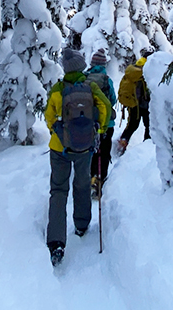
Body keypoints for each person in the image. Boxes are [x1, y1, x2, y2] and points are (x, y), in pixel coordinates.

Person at [44, 47, 111, 267]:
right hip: (85, 147)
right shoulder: (91, 87)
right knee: (82, 184)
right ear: (82, 66)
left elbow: (49, 115)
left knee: (58, 189)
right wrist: (98, 130)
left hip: (59, 148)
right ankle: (81, 225)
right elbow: (106, 107)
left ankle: (56, 242)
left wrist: (57, 129)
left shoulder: (58, 89)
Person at [85, 48, 117, 197]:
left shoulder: (85, 77)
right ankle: (100, 178)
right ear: (104, 64)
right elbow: (113, 100)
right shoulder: (106, 80)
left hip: (88, 122)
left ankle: (91, 176)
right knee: (104, 151)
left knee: (91, 150)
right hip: (106, 124)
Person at [116, 56, 150, 155]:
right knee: (149, 127)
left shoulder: (134, 68)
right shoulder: (147, 70)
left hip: (133, 103)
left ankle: (122, 143)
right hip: (146, 105)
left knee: (132, 125)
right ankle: (147, 150)